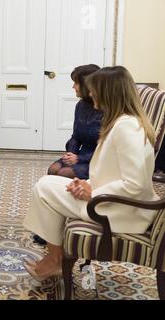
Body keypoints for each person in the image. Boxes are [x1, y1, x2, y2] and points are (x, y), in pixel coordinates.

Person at [23, 66, 159, 282]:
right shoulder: (123, 122)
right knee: (47, 182)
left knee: (43, 189)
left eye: (95, 90)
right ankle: (54, 259)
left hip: (118, 210)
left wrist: (93, 192)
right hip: (111, 201)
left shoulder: (127, 128)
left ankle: (54, 261)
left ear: (108, 93)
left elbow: (136, 185)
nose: (91, 93)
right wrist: (85, 183)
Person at [34, 64, 102, 246]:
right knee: (53, 168)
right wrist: (71, 151)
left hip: (95, 159)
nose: (73, 87)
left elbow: (105, 149)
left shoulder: (106, 109)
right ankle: (48, 229)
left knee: (64, 174)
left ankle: (61, 225)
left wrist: (80, 159)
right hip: (79, 153)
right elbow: (75, 135)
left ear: (87, 85)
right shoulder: (80, 106)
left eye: (76, 83)